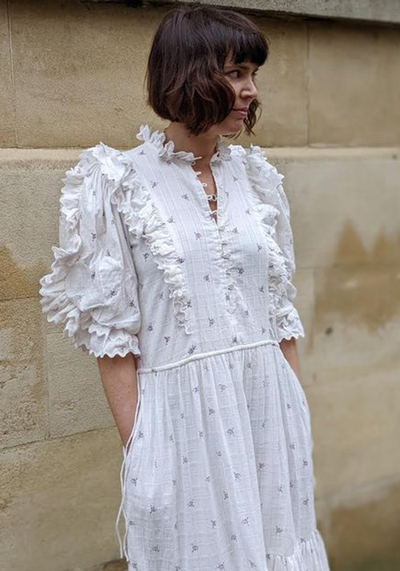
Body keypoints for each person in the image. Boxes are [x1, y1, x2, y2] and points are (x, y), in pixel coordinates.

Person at [39, 4, 331, 571]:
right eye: (237, 73)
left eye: (253, 75)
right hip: (178, 420)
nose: (250, 91)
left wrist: (296, 414)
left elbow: (278, 311)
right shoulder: (116, 181)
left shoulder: (257, 179)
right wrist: (140, 445)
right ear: (189, 73)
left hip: (267, 406)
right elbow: (112, 332)